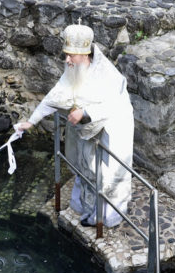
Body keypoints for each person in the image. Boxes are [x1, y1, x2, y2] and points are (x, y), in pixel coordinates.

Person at [16, 24, 134, 229]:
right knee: (85, 166)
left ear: (85, 54)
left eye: (71, 55)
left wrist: (85, 112)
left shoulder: (108, 74)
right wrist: (31, 121)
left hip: (113, 128)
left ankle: (108, 216)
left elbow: (114, 104)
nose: (67, 60)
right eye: (67, 55)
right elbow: (55, 96)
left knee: (107, 173)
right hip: (88, 129)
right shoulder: (73, 70)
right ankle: (88, 209)